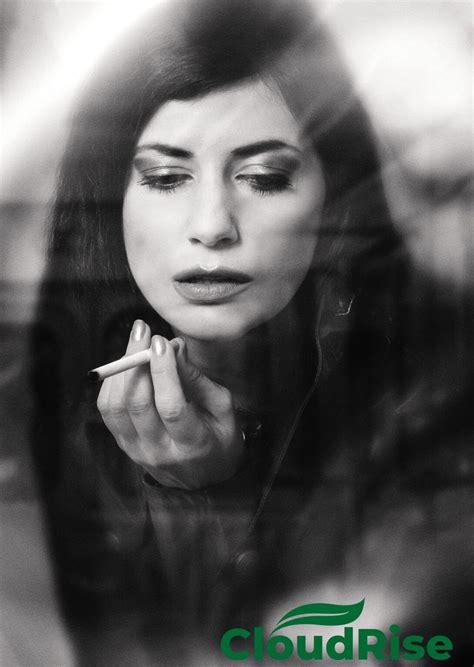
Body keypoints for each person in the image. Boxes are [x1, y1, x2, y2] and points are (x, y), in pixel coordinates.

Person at [30, 0, 473, 663]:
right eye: (166, 177)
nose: (212, 225)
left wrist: (213, 497)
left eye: (265, 178)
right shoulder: (50, 434)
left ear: (336, 200)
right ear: (110, 197)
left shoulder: (428, 419)